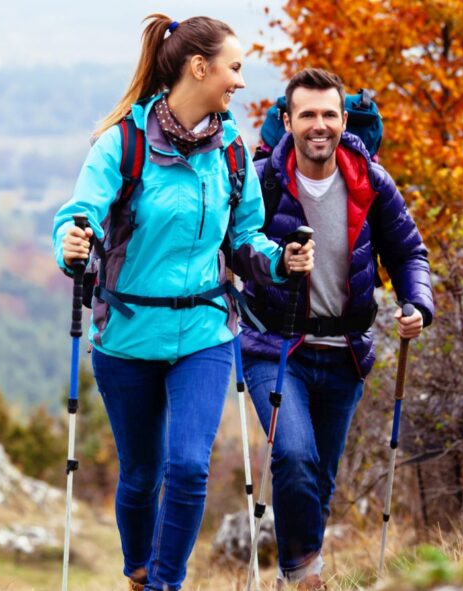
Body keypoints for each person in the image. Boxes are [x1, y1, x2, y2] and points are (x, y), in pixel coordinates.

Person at [52, 14, 310, 591]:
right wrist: (72, 243)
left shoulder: (233, 152)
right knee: (142, 475)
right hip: (126, 333)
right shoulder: (123, 143)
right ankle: (138, 573)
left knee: (190, 467)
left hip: (205, 332)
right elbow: (80, 216)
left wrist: (278, 260)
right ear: (200, 67)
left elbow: (245, 239)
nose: (240, 82)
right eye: (234, 67)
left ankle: (167, 584)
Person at [238, 68, 434, 590]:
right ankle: (304, 576)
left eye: (328, 114)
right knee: (294, 455)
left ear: (344, 120)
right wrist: (275, 262)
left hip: (345, 349)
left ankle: (296, 573)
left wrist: (419, 302)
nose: (318, 125)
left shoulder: (371, 180)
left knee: (320, 479)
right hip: (275, 345)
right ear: (288, 120)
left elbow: (408, 250)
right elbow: (234, 250)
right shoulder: (262, 181)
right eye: (307, 115)